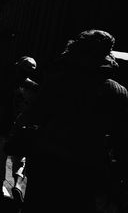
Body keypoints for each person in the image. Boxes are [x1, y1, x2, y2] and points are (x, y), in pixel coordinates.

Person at [18, 30, 128, 213]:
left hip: (47, 163)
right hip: (86, 169)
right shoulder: (117, 92)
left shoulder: (57, 81)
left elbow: (34, 116)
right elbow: (122, 140)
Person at [0, 56, 39, 205]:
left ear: (18, 69)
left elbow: (1, 109)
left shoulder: (8, 86)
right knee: (20, 160)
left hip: (5, 127)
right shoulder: (35, 88)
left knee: (0, 158)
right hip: (23, 131)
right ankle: (17, 185)